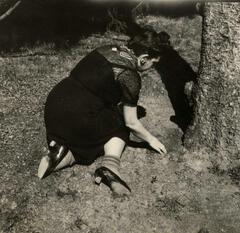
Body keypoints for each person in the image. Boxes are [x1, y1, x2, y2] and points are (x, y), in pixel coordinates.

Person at [37, 28, 169, 194]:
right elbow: (132, 122)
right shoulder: (130, 77)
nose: (151, 67)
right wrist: (151, 140)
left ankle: (62, 152)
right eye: (153, 63)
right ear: (144, 59)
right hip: (76, 117)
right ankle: (110, 166)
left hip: (54, 106)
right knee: (121, 124)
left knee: (98, 114)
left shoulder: (107, 48)